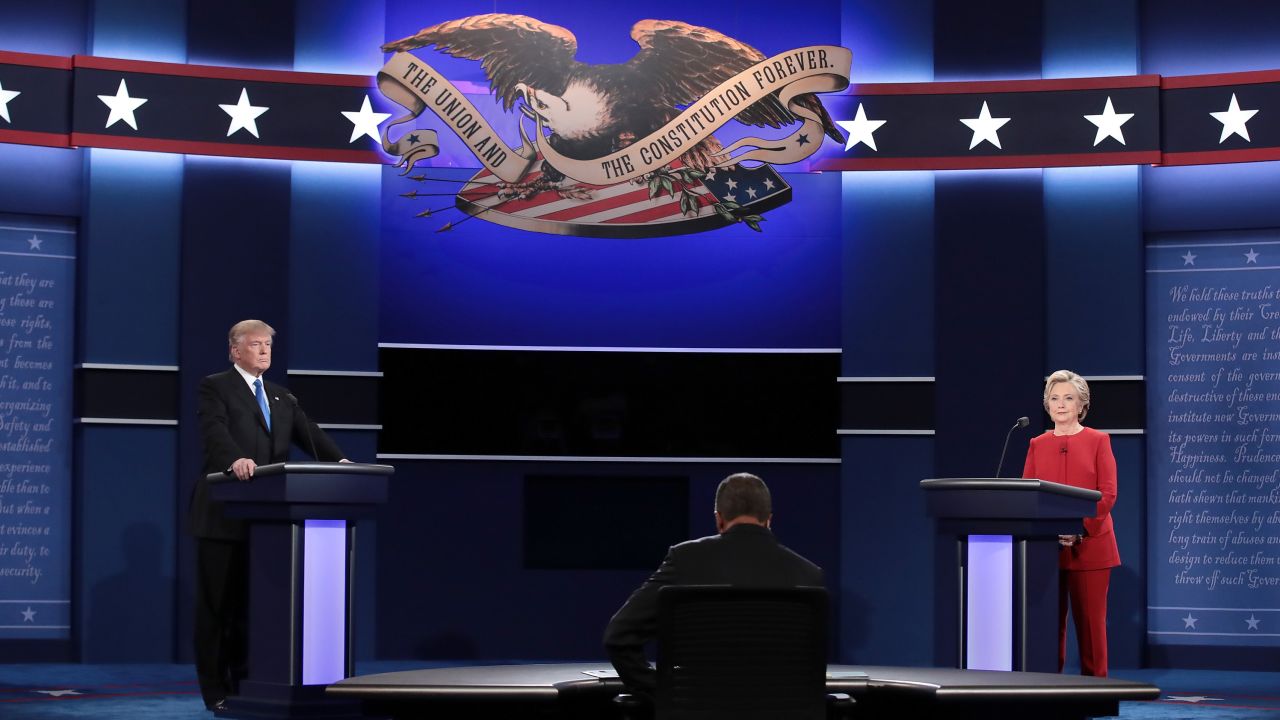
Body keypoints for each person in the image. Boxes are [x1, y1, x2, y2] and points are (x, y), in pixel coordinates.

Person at [189, 319, 350, 711]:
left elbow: (310, 434)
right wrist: (234, 460)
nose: (264, 351)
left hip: (267, 523)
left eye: (268, 346)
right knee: (218, 610)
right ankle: (216, 692)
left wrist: (342, 462)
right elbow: (215, 433)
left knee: (251, 610)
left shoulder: (282, 398)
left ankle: (246, 684)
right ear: (235, 350)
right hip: (222, 515)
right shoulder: (216, 387)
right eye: (256, 345)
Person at [603, 472, 824, 696]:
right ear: (769, 521)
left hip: (694, 711)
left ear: (719, 519)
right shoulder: (809, 575)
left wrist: (665, 693)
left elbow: (619, 637)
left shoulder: (684, 559)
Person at [1021, 370, 1119, 677]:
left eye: (1068, 398)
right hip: (1047, 548)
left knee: (1091, 627)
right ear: (1047, 405)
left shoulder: (1098, 440)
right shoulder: (1037, 443)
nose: (1060, 405)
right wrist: (1049, 531)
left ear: (1081, 405)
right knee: (1049, 627)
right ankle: (1050, 692)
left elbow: (1108, 493)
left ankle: (1095, 694)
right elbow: (1027, 494)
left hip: (1091, 547)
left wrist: (1079, 528)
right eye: (1054, 399)